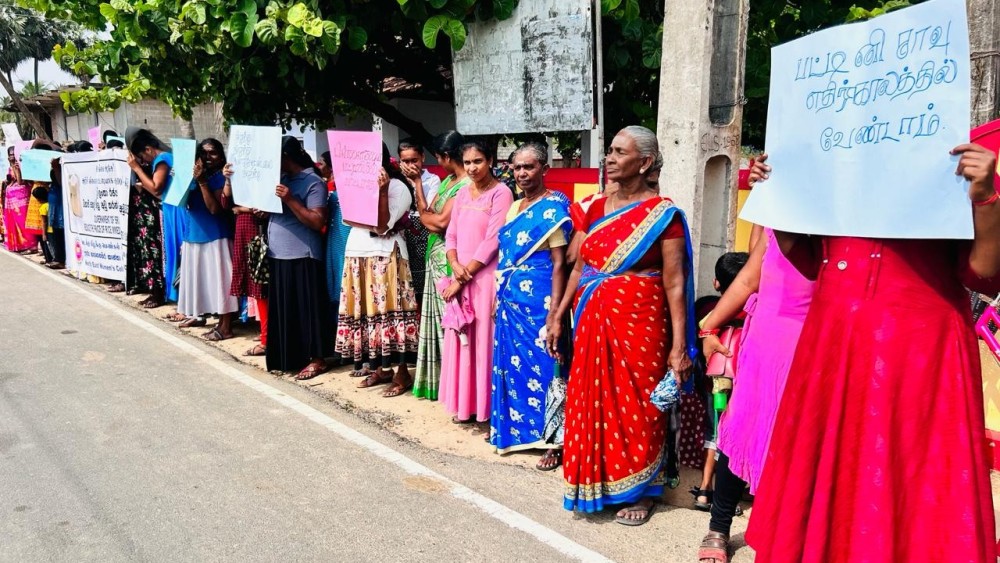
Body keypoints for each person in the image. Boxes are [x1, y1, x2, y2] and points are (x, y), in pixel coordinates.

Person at [743, 145, 1000, 562]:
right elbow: (808, 259)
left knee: (910, 482)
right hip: (833, 345)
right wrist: (777, 194)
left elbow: (985, 272)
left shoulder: (950, 154)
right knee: (832, 484)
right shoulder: (834, 149)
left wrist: (986, 196)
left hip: (920, 355)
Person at [548, 125, 697, 526]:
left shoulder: (663, 215)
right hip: (592, 321)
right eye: (609, 151)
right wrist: (559, 315)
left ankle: (644, 491)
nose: (609, 158)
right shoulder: (595, 207)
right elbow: (580, 266)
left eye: (619, 152)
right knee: (591, 400)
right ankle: (596, 480)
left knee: (638, 403)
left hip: (641, 324)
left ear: (645, 162)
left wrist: (679, 346)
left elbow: (675, 281)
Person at [488, 142, 571, 470]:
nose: (522, 173)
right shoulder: (514, 208)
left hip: (540, 301)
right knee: (513, 366)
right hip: (510, 299)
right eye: (517, 167)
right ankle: (514, 430)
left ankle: (554, 440)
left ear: (544, 169)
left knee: (548, 366)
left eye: (529, 167)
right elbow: (506, 257)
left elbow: (560, 264)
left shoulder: (552, 210)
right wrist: (498, 296)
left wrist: (555, 313)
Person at [439, 140, 514, 423]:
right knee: (462, 339)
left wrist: (463, 276)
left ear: (491, 160)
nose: (472, 168)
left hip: (483, 279)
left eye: (478, 161)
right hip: (461, 274)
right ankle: (464, 405)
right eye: (468, 162)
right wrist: (455, 265)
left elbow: (492, 241)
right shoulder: (462, 194)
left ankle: (484, 408)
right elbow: (451, 234)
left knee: (483, 341)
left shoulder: (501, 193)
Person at [335, 143, 419, 396]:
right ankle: (381, 369)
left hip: (386, 257)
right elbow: (348, 219)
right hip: (357, 254)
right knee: (368, 314)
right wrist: (370, 222)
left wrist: (381, 193)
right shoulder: (354, 187)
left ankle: (402, 374)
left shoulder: (398, 187)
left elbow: (381, 227)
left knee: (390, 314)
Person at [266, 137, 332, 378]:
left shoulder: (313, 182)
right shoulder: (281, 179)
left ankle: (317, 359)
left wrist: (290, 199)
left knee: (308, 310)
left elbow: (316, 221)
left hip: (303, 253)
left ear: (287, 157)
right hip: (279, 253)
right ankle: (290, 356)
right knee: (287, 309)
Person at [412, 131, 470, 400]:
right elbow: (429, 214)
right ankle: (441, 384)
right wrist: (418, 186)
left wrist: (429, 216)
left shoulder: (465, 185)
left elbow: (437, 222)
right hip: (435, 257)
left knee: (451, 325)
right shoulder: (448, 181)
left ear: (447, 156)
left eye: (439, 157)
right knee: (438, 324)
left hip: (449, 261)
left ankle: (454, 387)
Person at [175, 139, 238, 341]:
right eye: (204, 153)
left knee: (221, 283)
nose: (208, 157)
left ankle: (226, 326)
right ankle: (215, 321)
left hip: (216, 235)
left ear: (221, 155)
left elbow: (215, 208)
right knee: (206, 283)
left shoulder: (221, 177)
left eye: (213, 153)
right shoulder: (197, 173)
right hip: (194, 234)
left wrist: (202, 182)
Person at [128, 129, 183, 305]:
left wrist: (137, 169)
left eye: (142, 157)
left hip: (174, 210)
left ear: (149, 149)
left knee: (175, 253)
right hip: (171, 207)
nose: (144, 161)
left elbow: (156, 187)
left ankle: (182, 300)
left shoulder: (162, 160)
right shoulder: (167, 158)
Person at [226, 162, 270, 356]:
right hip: (244, 231)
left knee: (260, 287)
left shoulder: (265, 174)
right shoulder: (238, 177)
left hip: (259, 232)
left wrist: (242, 209)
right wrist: (228, 179)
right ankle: (263, 332)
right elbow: (225, 203)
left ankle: (266, 338)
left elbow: (262, 206)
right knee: (254, 287)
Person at [399, 138, 442, 306]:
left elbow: (429, 210)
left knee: (421, 278)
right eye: (405, 161)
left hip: (422, 230)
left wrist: (416, 182)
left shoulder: (432, 180)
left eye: (414, 160)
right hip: (402, 231)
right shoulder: (396, 180)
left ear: (422, 158)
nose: (410, 165)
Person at [3, 147, 37, 252]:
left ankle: (32, 245)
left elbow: (20, 181)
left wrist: (16, 168)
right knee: (15, 222)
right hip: (12, 201)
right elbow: (11, 181)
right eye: (10, 155)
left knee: (23, 221)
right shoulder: (10, 167)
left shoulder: (20, 165)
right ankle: (20, 245)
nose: (12, 156)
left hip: (22, 199)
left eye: (13, 154)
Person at [32, 186, 54, 263]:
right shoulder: (51, 204)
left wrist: (44, 234)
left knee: (47, 246)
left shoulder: (43, 207)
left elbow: (44, 222)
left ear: (38, 199)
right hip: (56, 228)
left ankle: (49, 260)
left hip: (48, 230)